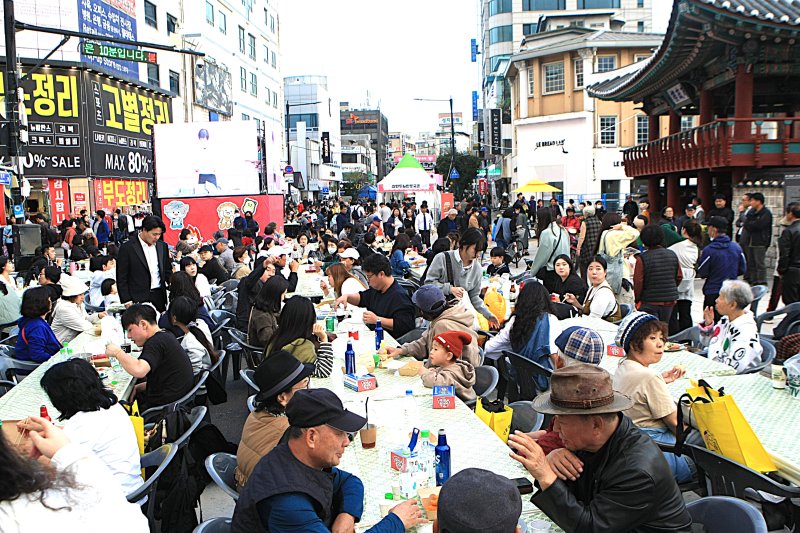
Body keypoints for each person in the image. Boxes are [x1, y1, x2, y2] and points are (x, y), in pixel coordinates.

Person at [508, 364, 692, 532]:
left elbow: (591, 528)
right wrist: (552, 462)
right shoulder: (593, 440)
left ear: (596, 425)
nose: (555, 428)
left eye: (561, 421)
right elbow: (574, 497)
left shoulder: (637, 470)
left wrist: (546, 475)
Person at [231, 388, 424, 533]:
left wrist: (346, 516)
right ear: (312, 437)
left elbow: (350, 482)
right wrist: (396, 521)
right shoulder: (288, 503)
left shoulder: (296, 456)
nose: (347, 442)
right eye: (340, 433)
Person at [0, 415, 149, 532]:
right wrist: (68, 452)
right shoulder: (108, 410)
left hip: (126, 494)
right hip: (128, 494)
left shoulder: (16, 518)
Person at [40, 358, 143, 495]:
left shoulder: (81, 423)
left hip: (113, 500)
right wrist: (48, 428)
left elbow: (51, 465)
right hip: (132, 487)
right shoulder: (111, 405)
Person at [612, 312, 693, 483]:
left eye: (662, 338)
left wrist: (661, 381)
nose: (660, 344)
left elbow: (637, 391)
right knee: (714, 453)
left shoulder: (623, 366)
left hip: (631, 452)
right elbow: (676, 424)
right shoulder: (648, 377)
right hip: (659, 457)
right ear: (634, 344)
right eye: (652, 338)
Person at [236, 351, 315, 489]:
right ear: (283, 398)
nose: (310, 390)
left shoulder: (258, 413)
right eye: (304, 386)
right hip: (264, 499)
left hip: (247, 486)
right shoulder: (290, 431)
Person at [522, 326, 606, 455]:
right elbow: (550, 433)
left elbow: (545, 445)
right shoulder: (600, 395)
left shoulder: (570, 403)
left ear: (559, 363)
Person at [105, 304, 194, 409]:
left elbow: (139, 370)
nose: (129, 336)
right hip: (178, 401)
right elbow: (167, 378)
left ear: (143, 324)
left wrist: (117, 353)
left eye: (130, 330)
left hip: (164, 410)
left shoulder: (155, 343)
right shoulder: (166, 335)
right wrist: (140, 387)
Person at [385, 285, 479, 366]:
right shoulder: (443, 314)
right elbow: (424, 342)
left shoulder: (443, 325)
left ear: (422, 311)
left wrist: (424, 370)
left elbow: (446, 364)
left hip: (454, 378)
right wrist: (401, 350)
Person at [425, 228, 499, 329]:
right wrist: (450, 289)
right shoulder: (442, 258)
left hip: (460, 321)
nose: (477, 255)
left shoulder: (477, 268)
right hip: (438, 320)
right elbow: (428, 285)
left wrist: (488, 315)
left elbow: (474, 297)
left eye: (480, 252)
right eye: (475, 250)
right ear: (464, 244)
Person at [484, 282, 560, 376]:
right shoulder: (550, 320)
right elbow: (554, 353)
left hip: (520, 378)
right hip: (545, 379)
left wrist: (479, 350)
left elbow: (495, 344)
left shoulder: (516, 320)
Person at [335, 253, 417, 338]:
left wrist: (377, 320)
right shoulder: (377, 289)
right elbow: (362, 298)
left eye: (369, 277)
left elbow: (406, 326)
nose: (368, 281)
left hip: (393, 342)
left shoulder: (400, 297)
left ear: (381, 274)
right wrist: (347, 297)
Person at [699, 279, 763, 374]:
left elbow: (734, 367)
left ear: (733, 305)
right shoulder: (726, 320)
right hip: (714, 368)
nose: (716, 300)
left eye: (720, 297)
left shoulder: (746, 330)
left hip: (734, 378)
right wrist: (708, 326)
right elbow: (709, 343)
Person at [264, 296, 333, 378]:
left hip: (275, 385)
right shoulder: (301, 345)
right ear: (309, 320)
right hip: (290, 389)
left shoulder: (278, 336)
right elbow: (323, 371)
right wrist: (324, 339)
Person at [117, 215, 170, 311]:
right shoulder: (127, 248)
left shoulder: (162, 246)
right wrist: (126, 300)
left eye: (159, 234)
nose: (157, 237)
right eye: (154, 234)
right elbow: (121, 277)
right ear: (144, 230)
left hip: (159, 295)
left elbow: (167, 271)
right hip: (137, 298)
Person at [697, 216, 747, 320]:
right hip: (731, 292)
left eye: (709, 227)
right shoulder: (736, 247)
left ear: (714, 229)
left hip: (713, 291)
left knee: (711, 323)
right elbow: (742, 268)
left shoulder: (709, 250)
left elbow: (702, 271)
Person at [633, 225, 682, 322]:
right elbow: (679, 276)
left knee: (652, 331)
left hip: (649, 300)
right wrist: (670, 287)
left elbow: (638, 281)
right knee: (664, 327)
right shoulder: (672, 254)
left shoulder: (642, 258)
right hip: (669, 300)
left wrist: (637, 299)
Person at [167, 295, 219, 376]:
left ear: (174, 318)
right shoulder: (201, 323)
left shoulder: (189, 344)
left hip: (199, 385)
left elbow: (194, 373)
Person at [419, 330, 476, 402]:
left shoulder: (452, 372)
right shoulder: (449, 366)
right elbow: (442, 377)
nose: (431, 352)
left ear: (449, 356)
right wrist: (434, 372)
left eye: (435, 349)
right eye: (432, 349)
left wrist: (425, 373)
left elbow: (435, 383)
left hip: (462, 407)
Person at [667, 220, 702, 335]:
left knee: (673, 313)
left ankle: (675, 337)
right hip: (689, 281)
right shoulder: (696, 247)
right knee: (685, 312)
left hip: (676, 279)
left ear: (684, 230)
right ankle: (687, 338)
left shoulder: (676, 246)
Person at [563, 256, 621, 322]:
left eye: (598, 269)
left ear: (605, 272)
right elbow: (587, 310)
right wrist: (574, 301)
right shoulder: (593, 287)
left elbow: (593, 320)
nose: (594, 272)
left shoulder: (603, 293)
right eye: (590, 269)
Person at [51, 275, 106, 344]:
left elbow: (85, 318)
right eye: (80, 295)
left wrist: (98, 316)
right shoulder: (64, 308)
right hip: (60, 345)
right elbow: (85, 326)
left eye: (83, 294)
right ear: (71, 295)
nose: (83, 297)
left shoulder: (78, 304)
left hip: (72, 341)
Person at [15, 287, 61, 363]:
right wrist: (56, 359)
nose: (51, 302)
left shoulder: (29, 320)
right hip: (33, 367)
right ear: (42, 303)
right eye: (49, 299)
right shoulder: (37, 327)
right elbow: (37, 355)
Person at [741, 192, 773, 286]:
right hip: (749, 240)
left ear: (759, 201)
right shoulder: (751, 212)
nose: (751, 203)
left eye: (753, 201)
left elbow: (758, 225)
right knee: (751, 262)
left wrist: (750, 224)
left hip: (760, 241)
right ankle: (753, 281)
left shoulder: (766, 213)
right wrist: (749, 224)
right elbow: (747, 224)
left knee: (759, 263)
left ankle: (761, 282)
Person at [529, 210, 570, 280]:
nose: (537, 222)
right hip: (565, 270)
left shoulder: (547, 233)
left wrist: (532, 272)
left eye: (537, 219)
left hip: (552, 271)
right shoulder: (562, 229)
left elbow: (542, 256)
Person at [248, 275, 288, 346]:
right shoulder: (263, 317)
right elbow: (268, 341)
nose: (284, 298)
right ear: (276, 296)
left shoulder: (264, 308)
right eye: (283, 295)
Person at [778, 202, 800, 305]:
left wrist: (781, 270)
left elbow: (785, 254)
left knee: (792, 303)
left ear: (790, 214)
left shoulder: (789, 231)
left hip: (793, 271)